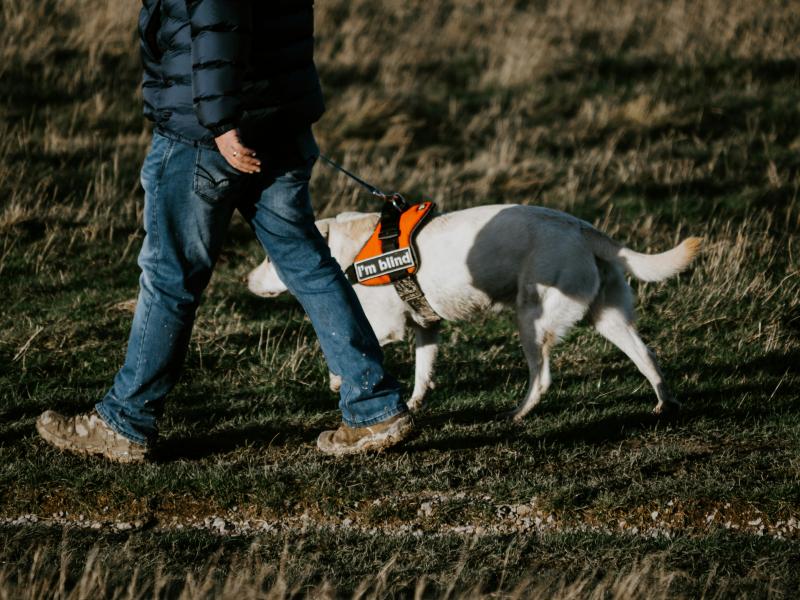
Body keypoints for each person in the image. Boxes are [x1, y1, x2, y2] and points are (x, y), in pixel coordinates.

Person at [35, 0, 412, 462]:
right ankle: (374, 407)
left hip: (208, 135)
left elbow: (218, 17)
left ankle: (124, 421)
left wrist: (222, 123)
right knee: (309, 265)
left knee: (170, 277)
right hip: (279, 123)